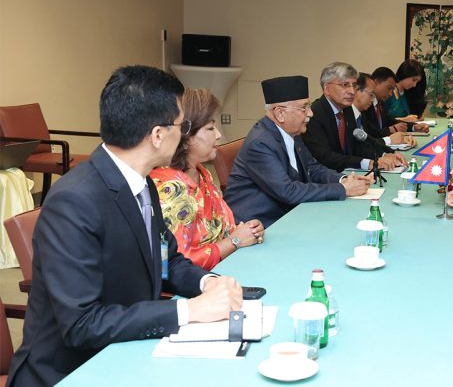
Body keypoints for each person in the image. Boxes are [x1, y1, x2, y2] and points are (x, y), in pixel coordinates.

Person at [7, 66, 243, 387]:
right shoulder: (73, 201)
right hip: (69, 372)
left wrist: (207, 283)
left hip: (127, 349)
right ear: (158, 135)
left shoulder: (141, 183)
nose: (183, 134)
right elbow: (81, 324)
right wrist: (189, 311)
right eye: (181, 125)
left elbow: (167, 260)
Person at [225, 75, 372, 228]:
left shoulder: (293, 133)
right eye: (304, 108)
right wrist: (343, 190)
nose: (310, 113)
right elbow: (288, 191)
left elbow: (313, 168)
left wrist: (344, 180)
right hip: (258, 224)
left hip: (289, 214)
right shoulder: (260, 143)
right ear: (280, 113)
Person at [150, 89, 265, 271]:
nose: (218, 135)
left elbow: (217, 229)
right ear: (185, 136)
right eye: (210, 128)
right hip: (198, 282)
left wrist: (246, 231)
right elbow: (177, 264)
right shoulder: (170, 188)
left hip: (224, 268)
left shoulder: (201, 172)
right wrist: (235, 241)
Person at [303, 62, 403, 172]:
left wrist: (383, 155)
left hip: (349, 173)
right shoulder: (315, 114)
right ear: (327, 89)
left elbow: (356, 146)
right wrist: (367, 163)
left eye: (354, 85)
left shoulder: (347, 110)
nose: (352, 91)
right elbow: (325, 157)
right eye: (344, 85)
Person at [351, 73, 415, 148]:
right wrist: (389, 140)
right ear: (356, 90)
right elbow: (359, 147)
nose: (372, 100)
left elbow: (371, 136)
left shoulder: (365, 112)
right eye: (371, 94)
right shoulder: (347, 116)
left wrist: (412, 128)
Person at [383, 60, 429, 132]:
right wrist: (403, 119)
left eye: (417, 82)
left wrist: (415, 122)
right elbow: (383, 120)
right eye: (413, 80)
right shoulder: (389, 93)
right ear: (405, 74)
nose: (414, 85)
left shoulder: (407, 93)